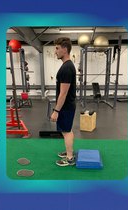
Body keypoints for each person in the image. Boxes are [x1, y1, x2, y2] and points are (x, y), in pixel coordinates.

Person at [50, 37, 77, 167]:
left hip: (65, 106)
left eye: (57, 48)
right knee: (66, 130)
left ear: (65, 49)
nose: (55, 51)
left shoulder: (66, 68)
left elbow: (63, 93)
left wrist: (56, 111)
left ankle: (70, 158)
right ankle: (68, 152)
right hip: (67, 106)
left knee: (66, 131)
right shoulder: (67, 65)